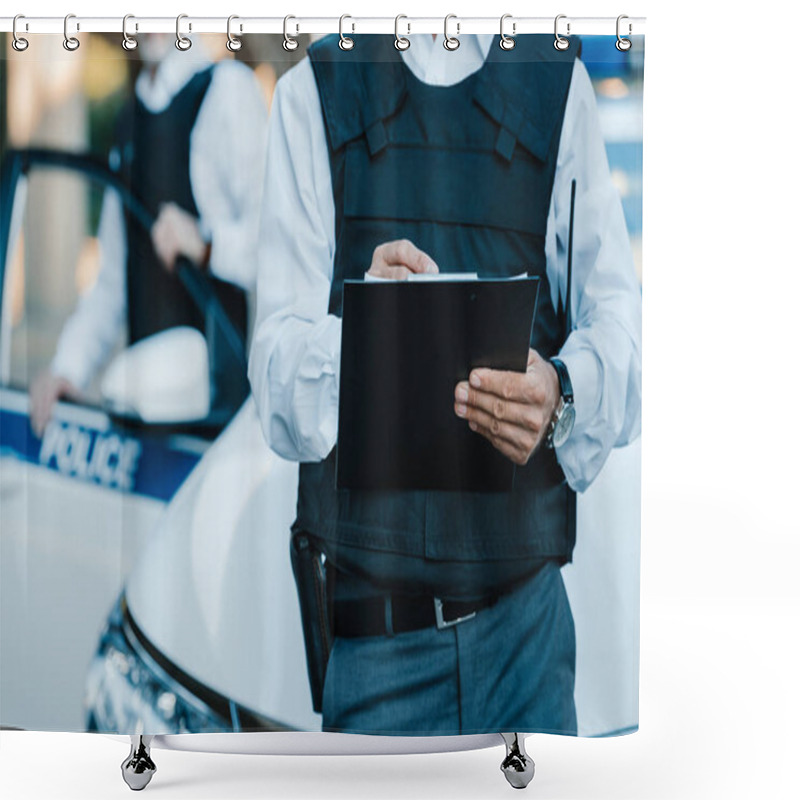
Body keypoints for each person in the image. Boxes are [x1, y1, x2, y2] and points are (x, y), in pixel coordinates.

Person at [249, 32, 642, 736]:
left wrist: (562, 392)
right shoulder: (315, 88)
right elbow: (275, 387)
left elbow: (620, 324)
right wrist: (367, 335)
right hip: (378, 654)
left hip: (530, 639)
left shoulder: (560, 83)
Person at [30, 34, 268, 436]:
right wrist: (66, 370)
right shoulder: (130, 119)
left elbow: (276, 250)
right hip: (143, 419)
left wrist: (207, 245)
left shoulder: (227, 90)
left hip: (217, 424)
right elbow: (112, 283)